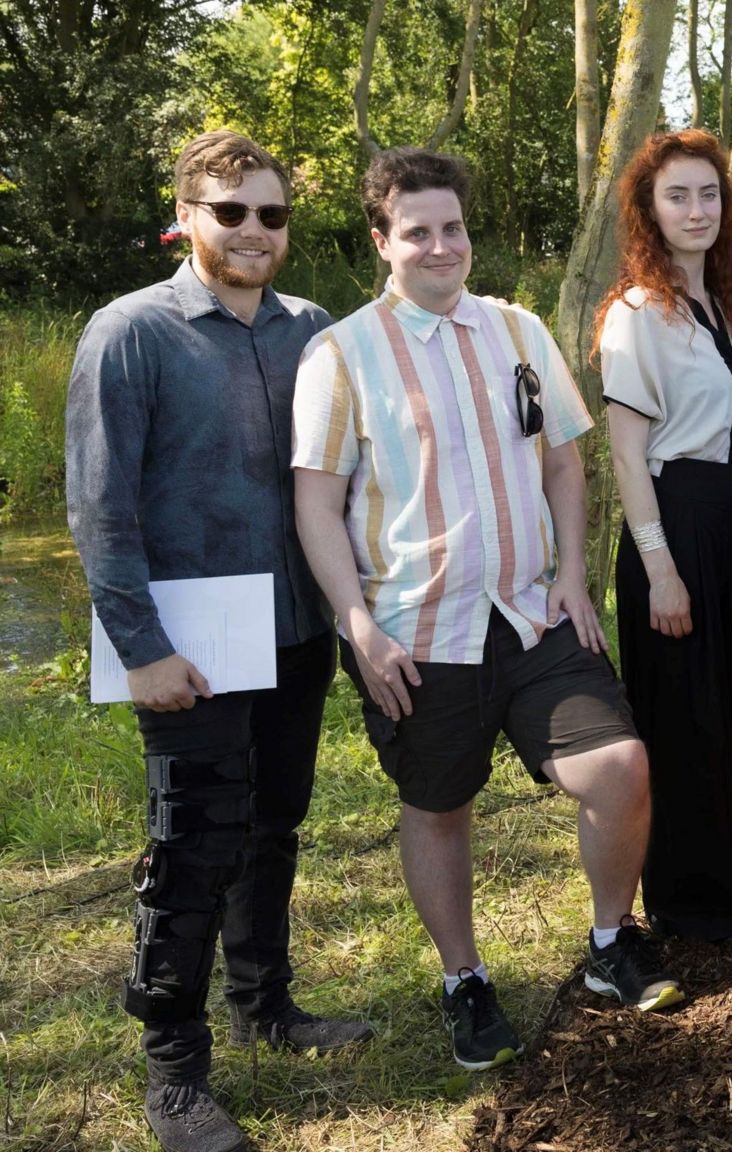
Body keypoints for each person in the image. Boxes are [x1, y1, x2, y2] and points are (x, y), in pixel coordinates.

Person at [293, 147, 681, 1075]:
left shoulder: (517, 331)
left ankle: (607, 944)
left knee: (619, 767)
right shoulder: (340, 353)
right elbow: (314, 501)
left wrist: (573, 580)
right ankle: (465, 980)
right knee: (440, 806)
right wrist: (358, 624)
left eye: (453, 228)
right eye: (417, 232)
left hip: (530, 616)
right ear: (382, 241)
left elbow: (561, 459)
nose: (440, 246)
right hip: (418, 630)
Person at [66, 130, 372, 1152]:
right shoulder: (129, 333)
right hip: (187, 644)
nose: (253, 231)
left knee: (272, 827)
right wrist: (141, 645)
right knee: (192, 844)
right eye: (230, 211)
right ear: (186, 216)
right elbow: (100, 510)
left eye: (271, 215)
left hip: (292, 630)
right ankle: (175, 1071)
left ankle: (266, 1005)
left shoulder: (314, 331)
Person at [597, 130, 732, 941]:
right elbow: (628, 456)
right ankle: (688, 900)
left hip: (730, 518)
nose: (696, 210)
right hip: (675, 523)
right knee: (688, 715)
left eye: (709, 194)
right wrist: (660, 568)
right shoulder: (637, 313)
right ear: (649, 210)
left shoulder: (724, 305)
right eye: (678, 196)